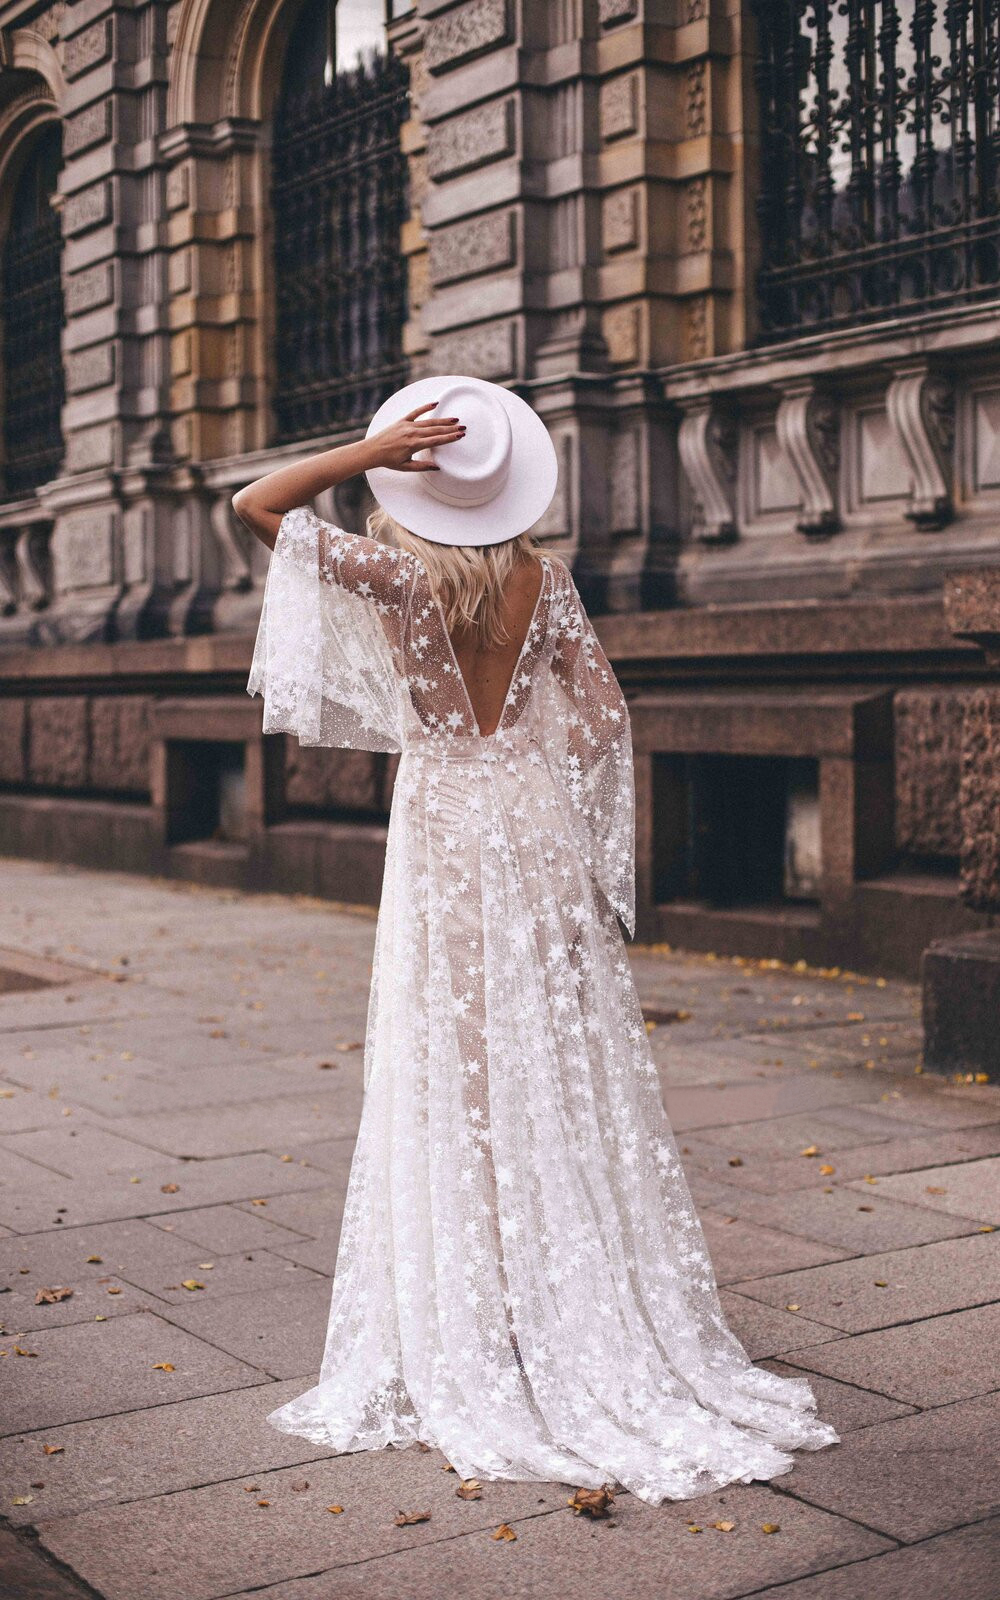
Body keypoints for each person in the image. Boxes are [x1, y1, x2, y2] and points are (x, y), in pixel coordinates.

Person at [234, 374, 838, 1506]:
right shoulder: (545, 580)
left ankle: (478, 1307)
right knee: (548, 1057)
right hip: (531, 822)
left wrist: (374, 455)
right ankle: (565, 1296)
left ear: (424, 487)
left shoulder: (394, 575)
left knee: (455, 1059)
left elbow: (259, 505)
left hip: (444, 830)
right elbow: (608, 719)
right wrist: (552, 797)